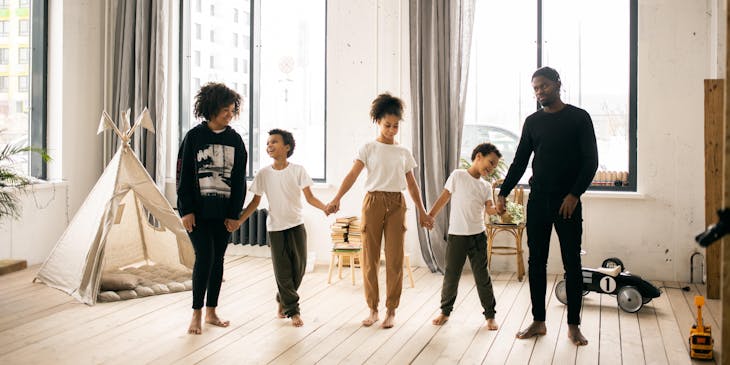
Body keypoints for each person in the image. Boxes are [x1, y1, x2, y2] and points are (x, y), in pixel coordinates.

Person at [496, 66, 598, 346]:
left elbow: (591, 161)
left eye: (543, 87)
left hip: (568, 202)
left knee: (572, 263)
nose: (539, 92)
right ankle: (539, 321)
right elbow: (519, 161)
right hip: (539, 199)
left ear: (557, 84)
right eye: (535, 88)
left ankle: (573, 326)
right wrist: (503, 191)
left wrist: (574, 194)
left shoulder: (579, 118)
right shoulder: (532, 122)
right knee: (536, 262)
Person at [325, 93, 434, 329]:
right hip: (373, 202)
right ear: (377, 121)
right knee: (369, 258)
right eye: (387, 125)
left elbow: (412, 185)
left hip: (397, 203)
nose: (392, 130)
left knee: (395, 260)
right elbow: (352, 175)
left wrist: (423, 212)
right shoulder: (368, 148)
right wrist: (337, 198)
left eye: (396, 126)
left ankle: (391, 310)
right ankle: (373, 309)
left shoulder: (403, 152)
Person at [227, 129, 328, 327]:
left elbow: (310, 198)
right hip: (275, 228)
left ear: (287, 147)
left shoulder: (298, 170)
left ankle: (282, 299)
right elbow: (255, 202)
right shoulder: (264, 173)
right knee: (282, 271)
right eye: (267, 143)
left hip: (296, 225)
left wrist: (325, 208)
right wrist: (239, 221)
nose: (269, 146)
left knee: (298, 269)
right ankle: (293, 310)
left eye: (274, 142)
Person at [176, 82, 247, 335]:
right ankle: (196, 314)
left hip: (223, 215)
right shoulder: (194, 137)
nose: (230, 115)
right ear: (211, 109)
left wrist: (234, 215)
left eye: (232, 110)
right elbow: (182, 177)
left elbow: (239, 181)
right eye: (225, 110)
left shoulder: (235, 140)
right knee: (204, 258)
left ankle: (211, 311)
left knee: (217, 260)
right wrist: (185, 210)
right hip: (197, 213)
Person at [426, 143, 502, 330]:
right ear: (478, 156)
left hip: (478, 236)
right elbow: (444, 197)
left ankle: (490, 315)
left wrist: (498, 209)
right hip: (457, 236)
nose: (491, 168)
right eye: (490, 162)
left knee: (482, 276)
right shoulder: (458, 175)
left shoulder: (485, 186)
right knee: (451, 275)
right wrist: (430, 216)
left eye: (494, 166)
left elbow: (489, 208)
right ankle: (445, 311)